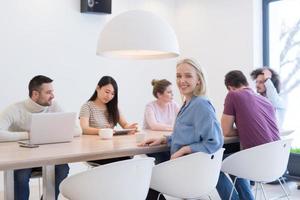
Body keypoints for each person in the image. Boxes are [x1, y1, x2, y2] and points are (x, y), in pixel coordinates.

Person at [139, 58, 224, 200]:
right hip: (183, 166)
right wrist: (165, 139)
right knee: (146, 174)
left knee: (143, 178)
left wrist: (186, 149)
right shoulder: (188, 103)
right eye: (179, 76)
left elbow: (215, 142)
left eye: (188, 76)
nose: (181, 80)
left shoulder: (201, 105)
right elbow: (188, 135)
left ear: (198, 80)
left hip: (188, 171)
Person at [0, 75, 76, 200]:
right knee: (21, 174)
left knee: (62, 168)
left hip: (48, 157)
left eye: (52, 92)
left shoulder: (53, 106)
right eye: (48, 92)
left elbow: (76, 129)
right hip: (22, 159)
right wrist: (28, 135)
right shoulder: (15, 109)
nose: (53, 95)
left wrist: (51, 133)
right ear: (35, 94)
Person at [216, 70, 280, 200]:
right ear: (245, 82)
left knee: (213, 165)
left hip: (257, 164)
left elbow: (225, 130)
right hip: (278, 163)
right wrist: (246, 127)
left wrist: (241, 127)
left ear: (230, 88)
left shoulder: (233, 95)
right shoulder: (265, 100)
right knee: (234, 158)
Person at [79, 76, 138, 164]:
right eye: (107, 92)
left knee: (127, 156)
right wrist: (103, 131)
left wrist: (130, 128)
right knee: (123, 161)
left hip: (112, 149)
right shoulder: (87, 106)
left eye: (113, 94)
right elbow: (84, 128)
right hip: (94, 150)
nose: (109, 96)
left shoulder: (113, 107)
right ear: (98, 88)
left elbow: (125, 124)